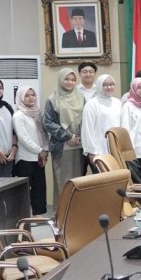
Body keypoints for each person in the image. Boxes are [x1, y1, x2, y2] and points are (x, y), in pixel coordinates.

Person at [43, 67, 84, 203]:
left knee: (79, 182)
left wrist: (79, 137)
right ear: (60, 80)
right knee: (64, 182)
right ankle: (63, 212)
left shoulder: (81, 97)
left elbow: (86, 119)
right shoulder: (52, 99)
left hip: (79, 145)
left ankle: (77, 212)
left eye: (73, 80)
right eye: (66, 79)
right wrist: (68, 136)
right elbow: (48, 123)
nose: (70, 82)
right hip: (62, 146)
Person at [12, 86, 49, 215]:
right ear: (21, 98)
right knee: (25, 191)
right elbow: (23, 138)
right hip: (25, 158)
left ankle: (39, 216)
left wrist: (45, 150)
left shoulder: (38, 114)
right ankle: (24, 217)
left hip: (39, 158)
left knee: (39, 189)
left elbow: (44, 134)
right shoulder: (18, 115)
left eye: (33, 95)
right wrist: (40, 150)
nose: (31, 98)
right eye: (27, 95)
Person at [81, 74, 122, 164]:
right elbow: (87, 129)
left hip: (117, 149)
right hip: (99, 150)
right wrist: (92, 151)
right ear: (99, 85)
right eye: (105, 85)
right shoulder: (92, 104)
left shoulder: (117, 102)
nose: (109, 87)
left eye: (111, 84)